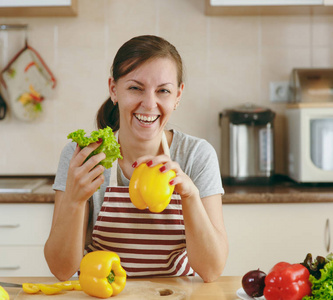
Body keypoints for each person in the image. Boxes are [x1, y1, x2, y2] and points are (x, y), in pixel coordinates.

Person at [44, 35, 228, 282]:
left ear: (178, 95)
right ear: (113, 89)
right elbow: (60, 269)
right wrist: (74, 202)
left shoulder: (196, 155)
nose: (150, 104)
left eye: (163, 90)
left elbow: (211, 270)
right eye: (135, 88)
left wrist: (190, 196)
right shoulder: (84, 155)